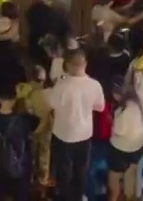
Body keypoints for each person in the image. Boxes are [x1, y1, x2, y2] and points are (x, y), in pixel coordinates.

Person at [45, 48, 105, 201]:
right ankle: (78, 197)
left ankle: (64, 197)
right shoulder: (95, 85)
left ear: (69, 65)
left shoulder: (62, 85)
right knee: (81, 171)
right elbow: (100, 107)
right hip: (84, 134)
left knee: (63, 172)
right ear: (85, 64)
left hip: (63, 134)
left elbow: (51, 104)